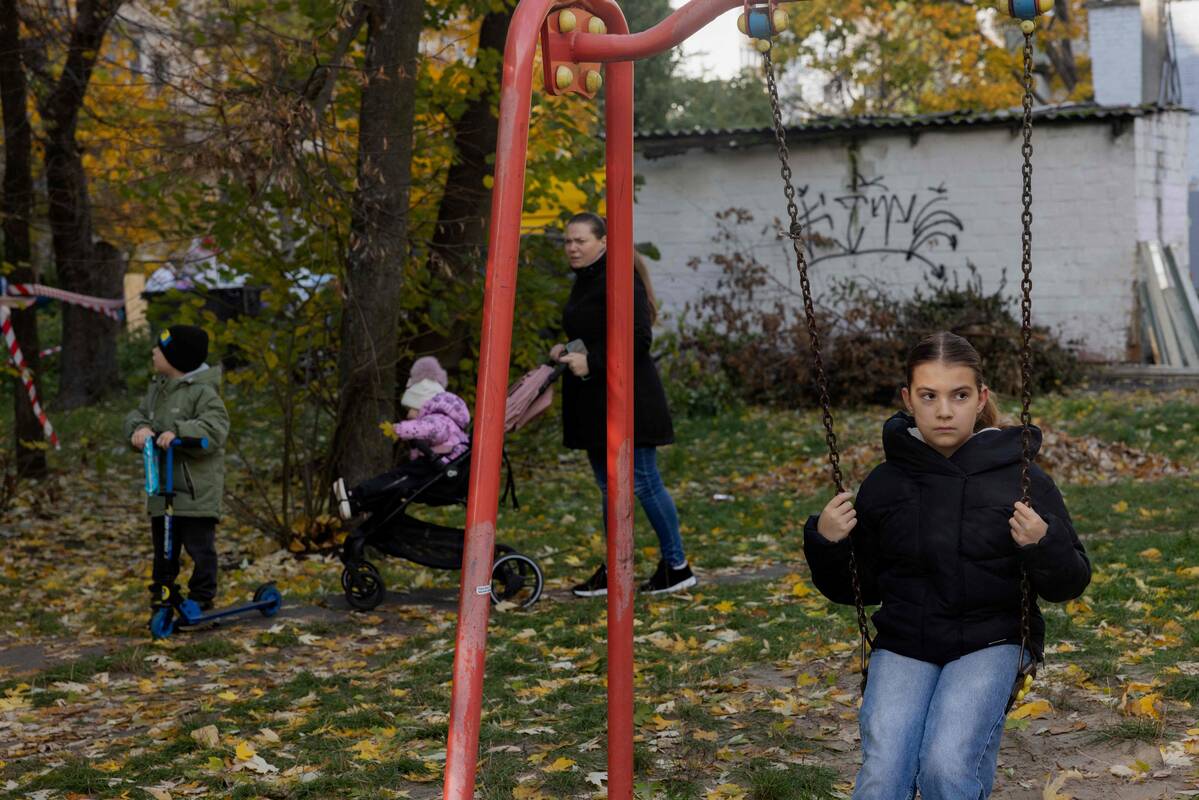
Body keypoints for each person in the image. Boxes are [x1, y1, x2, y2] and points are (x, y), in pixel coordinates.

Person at [803, 331, 1091, 800]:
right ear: (907, 399)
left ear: (980, 399)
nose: (943, 410)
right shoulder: (887, 483)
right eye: (928, 396)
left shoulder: (1021, 478)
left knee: (946, 766)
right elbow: (860, 587)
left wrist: (1044, 543)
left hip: (992, 638)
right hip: (906, 640)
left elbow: (1070, 581)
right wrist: (829, 543)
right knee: (881, 778)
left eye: (958, 395)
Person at [552, 211, 695, 597]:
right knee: (607, 486)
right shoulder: (585, 281)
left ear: (603, 242)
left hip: (630, 399)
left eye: (580, 240)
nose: (572, 247)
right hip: (593, 403)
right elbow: (597, 333)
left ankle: (676, 566)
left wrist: (591, 360)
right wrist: (569, 350)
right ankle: (618, 567)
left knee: (644, 480)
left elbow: (637, 339)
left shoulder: (620, 279)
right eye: (568, 241)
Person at [125, 325, 230, 611]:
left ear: (177, 359)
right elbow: (137, 415)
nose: (153, 351)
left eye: (159, 348)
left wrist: (178, 432)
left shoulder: (203, 393)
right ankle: (164, 590)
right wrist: (140, 428)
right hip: (163, 488)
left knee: (199, 547)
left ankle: (202, 596)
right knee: (164, 547)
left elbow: (216, 427)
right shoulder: (157, 391)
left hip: (195, 490)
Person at [333, 356, 469, 519]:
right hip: (438, 467)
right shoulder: (448, 420)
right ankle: (362, 504)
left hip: (436, 470)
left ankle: (357, 496)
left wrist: (399, 429)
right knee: (399, 480)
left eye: (412, 408)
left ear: (423, 404)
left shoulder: (440, 419)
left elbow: (428, 429)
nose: (409, 414)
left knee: (398, 478)